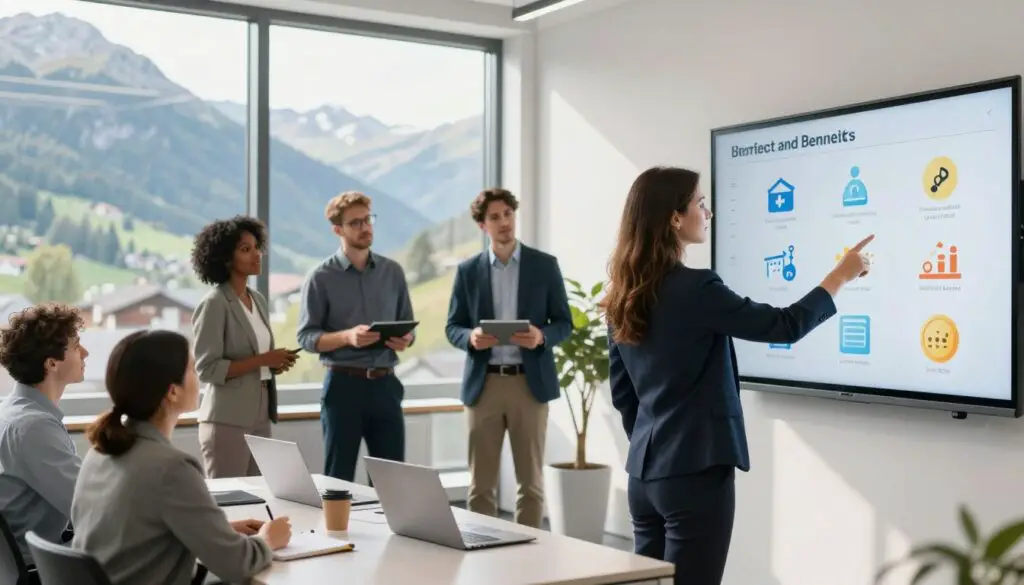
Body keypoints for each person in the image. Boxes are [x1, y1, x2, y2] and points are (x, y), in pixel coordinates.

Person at [603, 166, 872, 585]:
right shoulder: (696, 288)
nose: (708, 213)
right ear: (675, 217)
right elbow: (783, 326)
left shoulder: (623, 293)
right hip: (695, 472)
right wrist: (841, 275)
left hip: (644, 477)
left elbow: (624, 396)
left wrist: (652, 446)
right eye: (700, 204)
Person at [71, 330, 292, 585]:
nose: (200, 379)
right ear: (172, 392)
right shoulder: (171, 467)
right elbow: (238, 565)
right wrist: (267, 539)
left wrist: (215, 531)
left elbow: (133, 531)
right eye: (193, 370)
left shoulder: (98, 452)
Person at [445, 188, 572, 528]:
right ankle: (484, 559)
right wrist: (470, 337)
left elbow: (564, 323)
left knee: (530, 485)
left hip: (528, 386)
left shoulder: (544, 266)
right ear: (482, 225)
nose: (504, 223)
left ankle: (528, 561)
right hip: (483, 385)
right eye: (495, 217)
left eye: (508, 214)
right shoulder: (468, 271)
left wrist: (542, 336)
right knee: (480, 487)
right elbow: (452, 327)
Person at [297, 191, 415, 482]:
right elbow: (307, 337)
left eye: (368, 220)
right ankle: (337, 530)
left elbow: (408, 328)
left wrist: (406, 339)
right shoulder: (320, 278)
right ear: (338, 229)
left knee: (392, 479)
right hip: (343, 388)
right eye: (356, 223)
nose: (366, 227)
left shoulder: (393, 272)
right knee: (338, 478)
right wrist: (347, 337)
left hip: (386, 385)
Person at [191, 215, 298, 479]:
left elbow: (257, 358)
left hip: (261, 412)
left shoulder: (258, 300)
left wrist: (274, 363)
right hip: (227, 417)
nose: (257, 255)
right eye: (245, 249)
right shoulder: (215, 303)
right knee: (229, 502)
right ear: (226, 258)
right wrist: (262, 361)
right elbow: (206, 369)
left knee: (259, 499)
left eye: (256, 247)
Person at [0, 303, 86, 565]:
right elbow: (88, 505)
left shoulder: (11, 411)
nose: (85, 353)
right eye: (76, 346)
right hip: (41, 565)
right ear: (51, 363)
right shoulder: (33, 427)